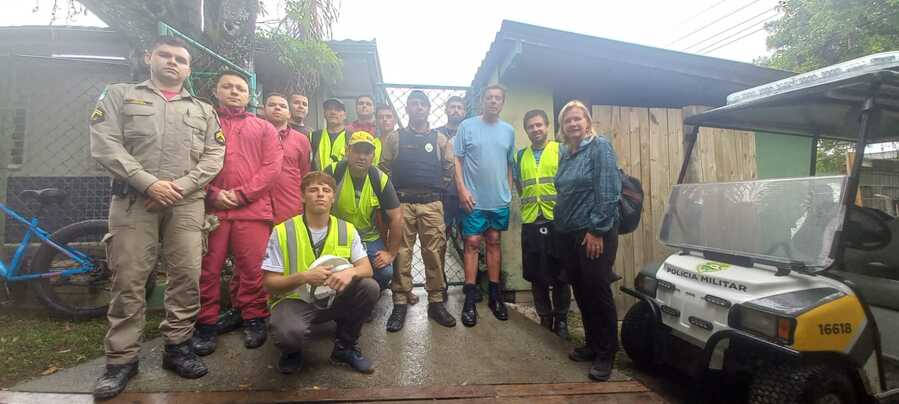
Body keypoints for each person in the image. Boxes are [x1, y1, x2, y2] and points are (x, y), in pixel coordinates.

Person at [89, 36, 224, 399]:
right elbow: (104, 143)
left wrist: (176, 187)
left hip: (185, 203)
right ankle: (121, 361)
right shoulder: (120, 95)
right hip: (134, 202)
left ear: (189, 68)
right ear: (149, 57)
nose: (172, 62)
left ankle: (178, 347)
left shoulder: (203, 110)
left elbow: (214, 156)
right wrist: (148, 184)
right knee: (129, 279)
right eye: (165, 55)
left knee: (186, 276)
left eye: (180, 59)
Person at [191, 72, 284, 357]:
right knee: (208, 269)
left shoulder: (264, 128)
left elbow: (271, 167)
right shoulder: (204, 122)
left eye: (240, 88)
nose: (234, 92)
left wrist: (242, 194)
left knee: (253, 268)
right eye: (227, 87)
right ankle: (206, 322)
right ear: (216, 91)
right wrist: (212, 193)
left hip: (252, 210)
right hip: (211, 209)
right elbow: (190, 158)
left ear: (249, 95)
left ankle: (254, 317)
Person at [262, 171, 379, 375]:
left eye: (326, 190)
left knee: (369, 287)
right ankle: (292, 351)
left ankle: (345, 348)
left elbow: (366, 269)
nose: (320, 194)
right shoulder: (282, 231)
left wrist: (350, 272)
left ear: (333, 198)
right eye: (313, 190)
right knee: (288, 332)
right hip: (294, 301)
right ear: (302, 197)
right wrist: (303, 277)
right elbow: (269, 283)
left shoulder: (347, 229)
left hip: (333, 298)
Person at [215, 93, 313, 334]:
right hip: (255, 207)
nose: (277, 109)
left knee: (286, 259)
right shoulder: (252, 132)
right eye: (272, 105)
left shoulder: (301, 140)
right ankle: (243, 309)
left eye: (283, 106)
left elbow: (303, 174)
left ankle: (281, 307)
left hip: (287, 207)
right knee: (247, 261)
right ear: (263, 109)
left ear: (290, 113)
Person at [553, 100, 621, 382]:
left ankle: (607, 353)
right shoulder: (567, 153)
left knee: (598, 291)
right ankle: (593, 344)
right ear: (562, 127)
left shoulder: (599, 147)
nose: (572, 124)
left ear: (587, 121)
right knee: (581, 291)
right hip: (569, 234)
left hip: (593, 233)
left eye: (577, 119)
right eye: (567, 120)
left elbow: (608, 190)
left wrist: (597, 230)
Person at [380, 90, 456, 331]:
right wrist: (394, 197)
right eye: (414, 104)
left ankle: (435, 303)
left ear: (428, 109)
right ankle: (400, 303)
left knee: (434, 252)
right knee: (401, 253)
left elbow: (449, 167)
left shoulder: (440, 139)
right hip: (402, 204)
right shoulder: (395, 138)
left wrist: (434, 189)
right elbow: (384, 168)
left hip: (432, 204)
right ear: (408, 109)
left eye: (423, 104)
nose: (418, 108)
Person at [453, 84, 515, 327]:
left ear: (502, 102)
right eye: (489, 97)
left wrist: (508, 190)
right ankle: (470, 297)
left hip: (498, 200)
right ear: (482, 101)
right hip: (473, 199)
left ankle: (495, 295)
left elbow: (510, 164)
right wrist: (461, 189)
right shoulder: (466, 126)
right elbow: (457, 161)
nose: (493, 101)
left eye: (498, 98)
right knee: (472, 242)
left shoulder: (509, 131)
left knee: (493, 240)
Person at [513, 109, 570, 338]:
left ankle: (562, 319)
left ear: (547, 126)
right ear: (526, 130)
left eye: (539, 125)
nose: (536, 129)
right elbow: (519, 185)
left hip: (557, 219)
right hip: (531, 220)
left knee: (560, 273)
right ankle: (545, 317)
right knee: (536, 273)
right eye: (531, 126)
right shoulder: (520, 156)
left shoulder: (560, 150)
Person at [324, 131, 402, 293]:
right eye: (357, 151)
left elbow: (396, 217)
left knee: (386, 271)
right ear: (347, 151)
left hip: (368, 238)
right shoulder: (333, 172)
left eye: (367, 153)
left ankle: (368, 296)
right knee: (329, 269)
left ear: (373, 156)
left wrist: (391, 253)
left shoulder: (379, 179)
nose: (362, 157)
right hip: (336, 235)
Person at [437, 96, 466, 236]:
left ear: (464, 112)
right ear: (446, 110)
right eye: (453, 107)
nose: (456, 110)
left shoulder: (469, 133)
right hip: (443, 192)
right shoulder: (436, 134)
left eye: (459, 108)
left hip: (466, 191)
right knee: (441, 235)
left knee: (468, 235)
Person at [311, 98, 349, 171]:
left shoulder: (351, 138)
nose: (333, 112)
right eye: (329, 109)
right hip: (319, 181)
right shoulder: (313, 136)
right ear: (324, 113)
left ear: (345, 115)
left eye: (338, 109)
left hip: (342, 181)